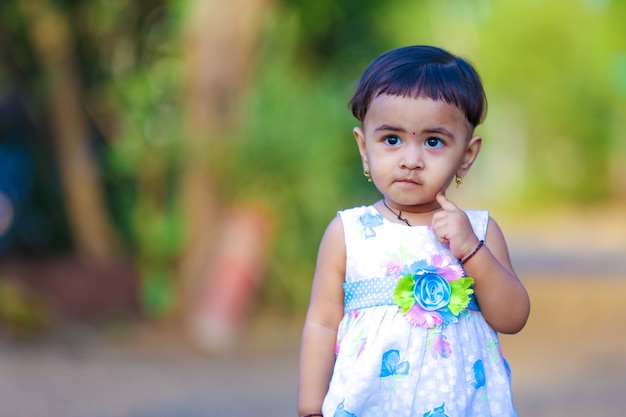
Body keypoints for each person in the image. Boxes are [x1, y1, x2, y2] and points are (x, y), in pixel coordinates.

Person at [297, 45, 531, 417]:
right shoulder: (348, 232)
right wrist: (311, 405)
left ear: (466, 156)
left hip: (462, 404)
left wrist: (471, 248)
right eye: (391, 139)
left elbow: (513, 317)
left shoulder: (480, 232)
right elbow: (323, 322)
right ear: (363, 147)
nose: (410, 159)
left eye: (433, 142)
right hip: (369, 404)